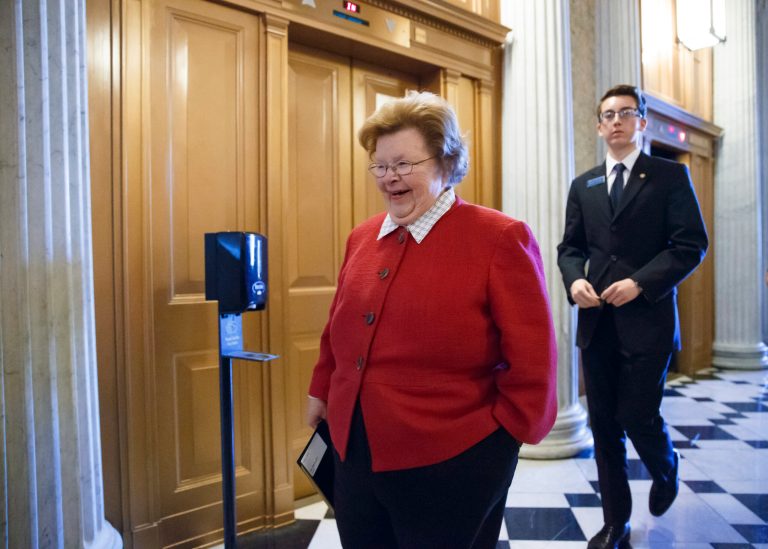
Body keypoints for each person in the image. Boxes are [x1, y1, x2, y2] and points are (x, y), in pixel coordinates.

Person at [306, 91, 558, 549]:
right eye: (380, 165)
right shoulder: (362, 237)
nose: (389, 177)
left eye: (404, 164)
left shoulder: (500, 237)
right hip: (353, 452)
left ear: (447, 161)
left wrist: (502, 444)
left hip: (454, 459)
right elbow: (337, 329)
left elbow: (534, 356)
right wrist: (321, 392)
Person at [557, 84, 708, 549]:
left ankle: (666, 467)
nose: (616, 121)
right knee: (603, 425)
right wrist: (574, 281)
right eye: (608, 114)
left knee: (637, 414)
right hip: (596, 323)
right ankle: (615, 523)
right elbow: (570, 248)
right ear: (599, 126)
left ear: (641, 121)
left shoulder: (669, 176)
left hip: (649, 321)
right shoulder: (584, 184)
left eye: (626, 113)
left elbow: (690, 245)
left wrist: (640, 283)